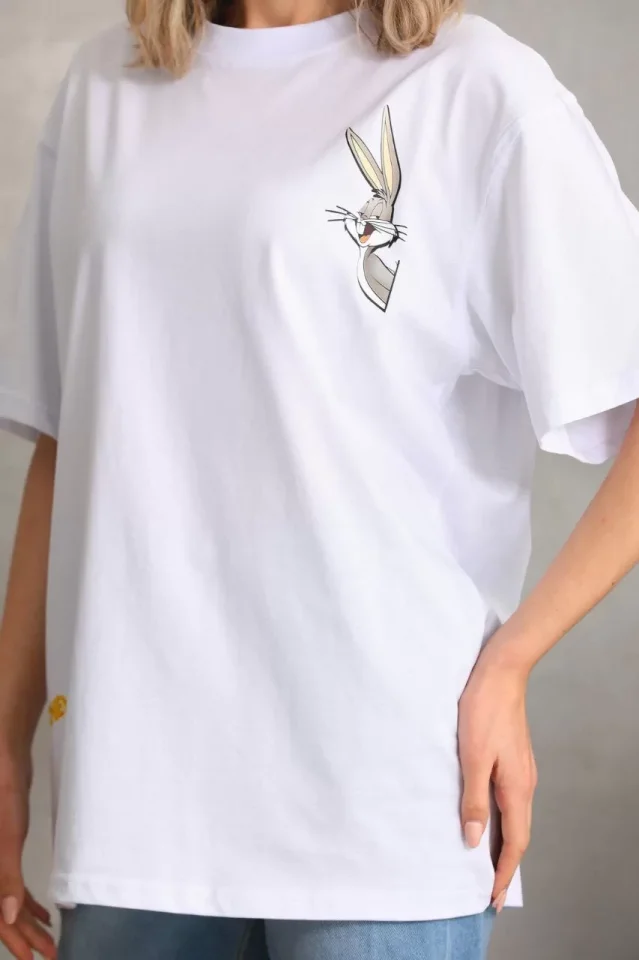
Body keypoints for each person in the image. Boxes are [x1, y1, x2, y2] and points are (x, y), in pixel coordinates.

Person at [1, 0, 638, 955]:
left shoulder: (473, 86)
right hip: (135, 799)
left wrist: (510, 663)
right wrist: (5, 739)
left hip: (381, 801)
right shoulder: (105, 85)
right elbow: (74, 433)